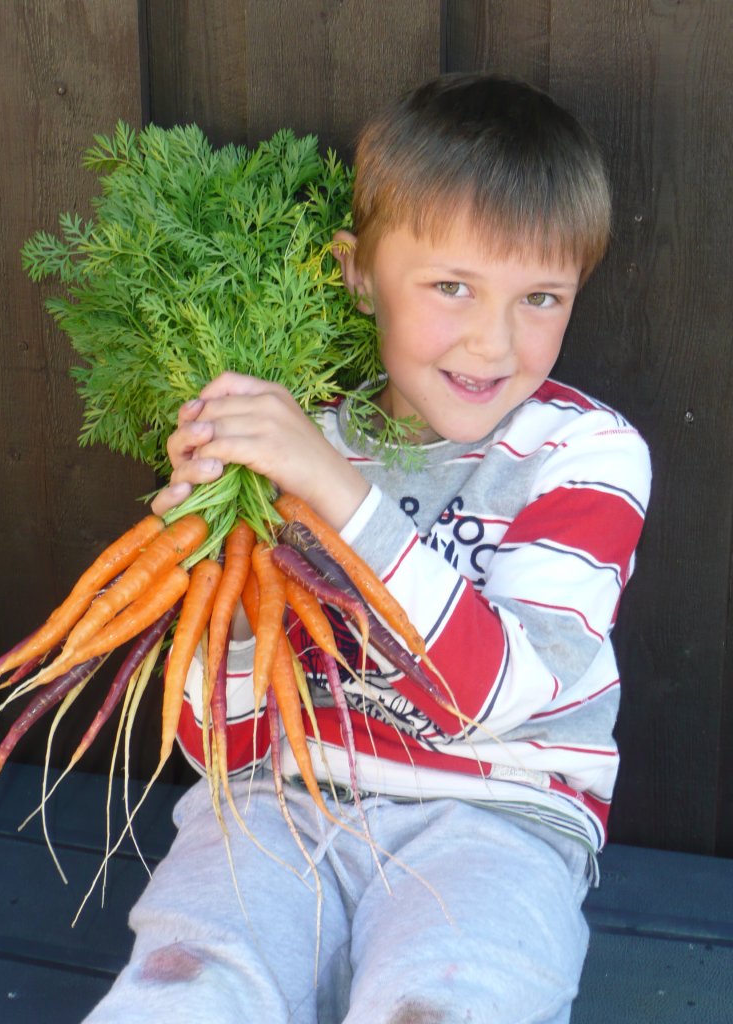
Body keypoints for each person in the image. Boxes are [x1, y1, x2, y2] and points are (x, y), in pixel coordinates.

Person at [83, 73, 651, 1024]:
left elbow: (502, 700)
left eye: (540, 297)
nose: (493, 340)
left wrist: (338, 497)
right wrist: (206, 561)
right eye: (451, 286)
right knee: (184, 987)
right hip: (276, 809)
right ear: (356, 272)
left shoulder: (584, 454)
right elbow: (225, 742)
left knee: (450, 1003)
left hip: (497, 819)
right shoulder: (298, 442)